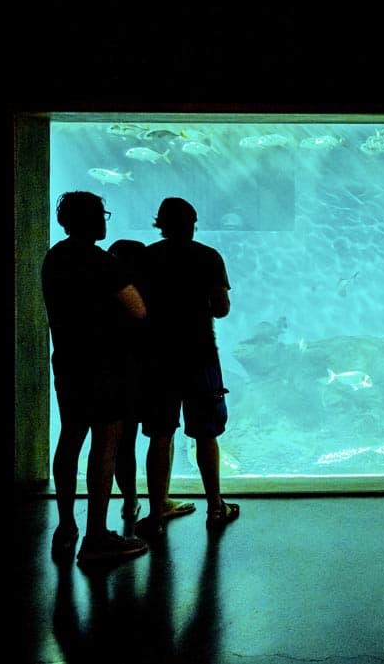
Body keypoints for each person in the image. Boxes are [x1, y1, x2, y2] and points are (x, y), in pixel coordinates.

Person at [42, 191, 149, 564]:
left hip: (68, 362)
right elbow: (137, 310)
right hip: (104, 365)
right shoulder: (103, 262)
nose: (105, 220)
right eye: (102, 214)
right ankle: (97, 536)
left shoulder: (54, 258)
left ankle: (66, 524)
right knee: (106, 442)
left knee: (70, 438)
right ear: (91, 219)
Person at [136, 197, 239, 537]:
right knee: (206, 433)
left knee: (160, 434)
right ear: (193, 223)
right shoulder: (208, 257)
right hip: (200, 355)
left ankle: (156, 511)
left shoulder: (147, 257)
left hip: (157, 357)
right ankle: (215, 507)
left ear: (160, 224)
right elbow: (221, 308)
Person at [107, 239, 197, 528]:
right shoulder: (158, 291)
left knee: (124, 442)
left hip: (122, 375)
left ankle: (130, 499)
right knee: (160, 437)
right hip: (161, 372)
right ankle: (158, 507)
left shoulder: (111, 295)